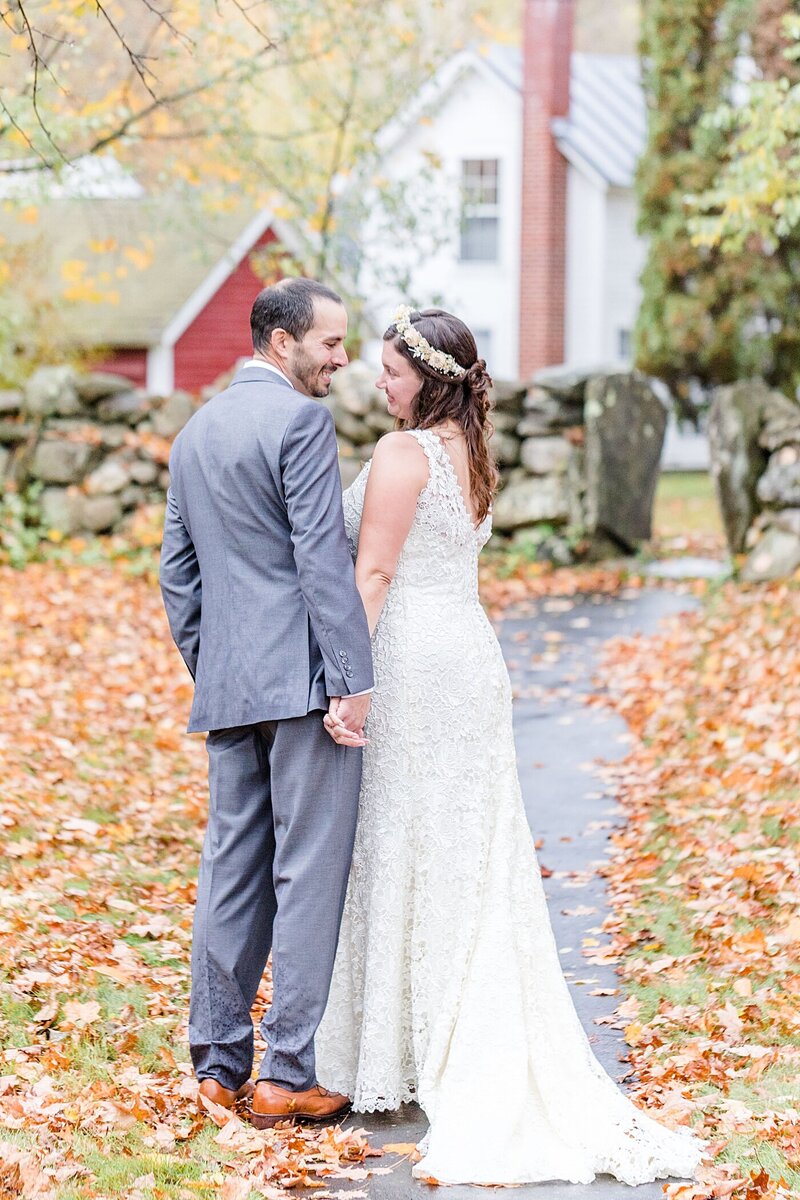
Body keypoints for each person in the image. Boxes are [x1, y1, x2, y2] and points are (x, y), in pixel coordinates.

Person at [314, 307, 704, 1185]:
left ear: (432, 378)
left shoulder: (402, 455)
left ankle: (411, 1050)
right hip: (471, 658)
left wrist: (351, 682)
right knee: (465, 850)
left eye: (393, 373)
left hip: (411, 660)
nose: (380, 384)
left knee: (404, 840)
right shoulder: (470, 451)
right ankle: (436, 1037)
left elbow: (372, 572)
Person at [159, 278, 373, 1129]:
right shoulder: (300, 422)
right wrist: (351, 677)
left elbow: (179, 576)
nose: (341, 358)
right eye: (329, 342)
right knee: (309, 871)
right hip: (305, 686)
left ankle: (215, 1068)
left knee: (231, 869)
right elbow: (321, 560)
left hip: (231, 687)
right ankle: (286, 1072)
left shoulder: (193, 432)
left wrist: (213, 666)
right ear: (280, 343)